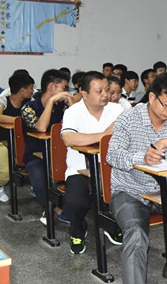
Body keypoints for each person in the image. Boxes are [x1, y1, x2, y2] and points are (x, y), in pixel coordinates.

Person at [107, 72, 167, 283]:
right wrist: (141, 157)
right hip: (130, 190)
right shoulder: (129, 118)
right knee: (136, 234)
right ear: (152, 97)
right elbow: (112, 155)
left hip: (166, 191)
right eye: (166, 105)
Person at [61, 71, 123, 254]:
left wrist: (93, 138)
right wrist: (104, 135)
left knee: (125, 197)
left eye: (107, 90)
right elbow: (69, 138)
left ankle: (112, 226)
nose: (105, 94)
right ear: (84, 93)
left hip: (112, 169)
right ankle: (77, 231)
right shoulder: (73, 112)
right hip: (80, 170)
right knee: (76, 201)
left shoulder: (116, 110)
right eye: (99, 91)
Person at [21, 69, 73, 223]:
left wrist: (71, 103)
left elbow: (78, 125)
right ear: (52, 87)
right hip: (35, 156)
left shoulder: (63, 106)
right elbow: (41, 127)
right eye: (64, 87)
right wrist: (50, 102)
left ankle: (74, 208)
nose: (67, 91)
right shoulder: (28, 108)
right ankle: (54, 209)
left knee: (80, 174)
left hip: (61, 154)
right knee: (38, 175)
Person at [0, 72, 35, 202]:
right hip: (3, 144)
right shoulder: (2, 100)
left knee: (40, 165)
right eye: (31, 88)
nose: (32, 91)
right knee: (5, 172)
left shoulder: (30, 102)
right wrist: (20, 121)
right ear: (22, 91)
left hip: (25, 143)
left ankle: (36, 187)